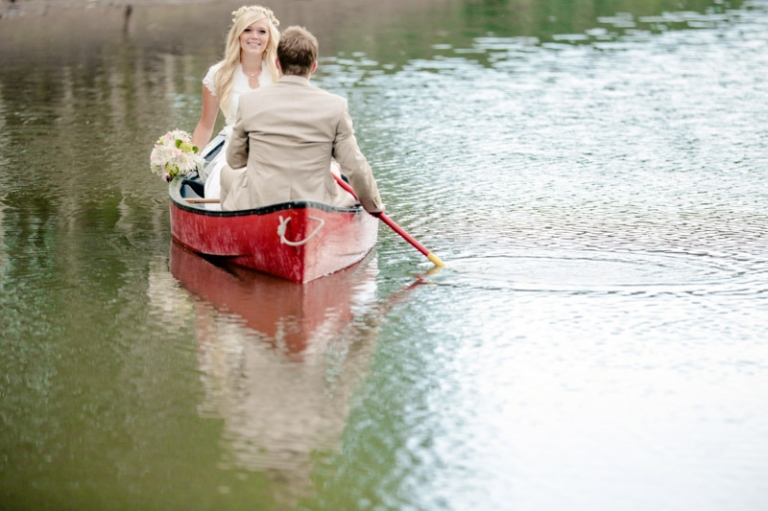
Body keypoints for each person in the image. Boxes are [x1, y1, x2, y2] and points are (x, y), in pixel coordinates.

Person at [220, 26, 384, 214]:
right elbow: (355, 166)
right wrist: (374, 207)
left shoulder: (249, 101)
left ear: (277, 63)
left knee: (226, 173)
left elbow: (235, 160)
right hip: (316, 204)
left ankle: (231, 229)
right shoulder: (336, 106)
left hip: (261, 202)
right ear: (314, 66)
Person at [191, 5, 281, 204]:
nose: (254, 36)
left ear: (269, 38)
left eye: (261, 31)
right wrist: (185, 160)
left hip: (276, 143)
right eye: (247, 30)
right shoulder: (218, 74)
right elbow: (205, 126)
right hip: (235, 145)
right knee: (228, 179)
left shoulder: (280, 73)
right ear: (238, 35)